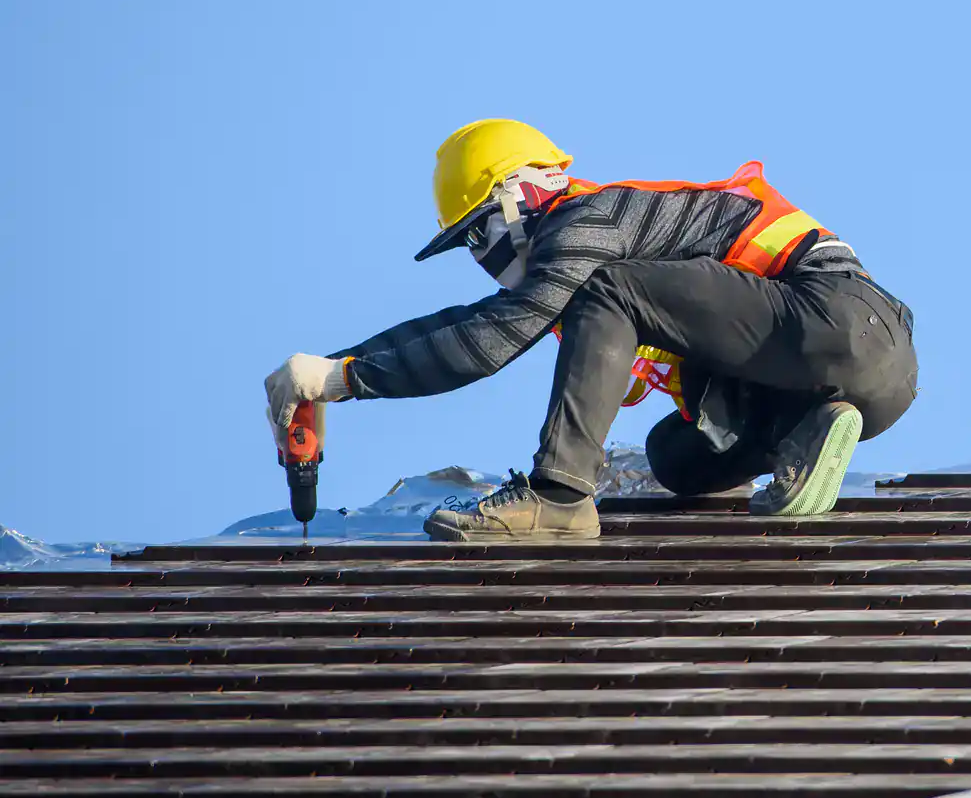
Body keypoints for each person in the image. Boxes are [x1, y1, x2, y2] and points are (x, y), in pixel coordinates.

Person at [261, 119, 918, 540]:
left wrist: (343, 379)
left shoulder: (585, 222)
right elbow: (470, 324)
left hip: (841, 318)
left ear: (519, 197)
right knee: (677, 456)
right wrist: (330, 369)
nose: (482, 257)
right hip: (853, 371)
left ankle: (558, 495)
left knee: (611, 288)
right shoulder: (595, 240)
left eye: (478, 233)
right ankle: (803, 434)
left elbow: (492, 335)